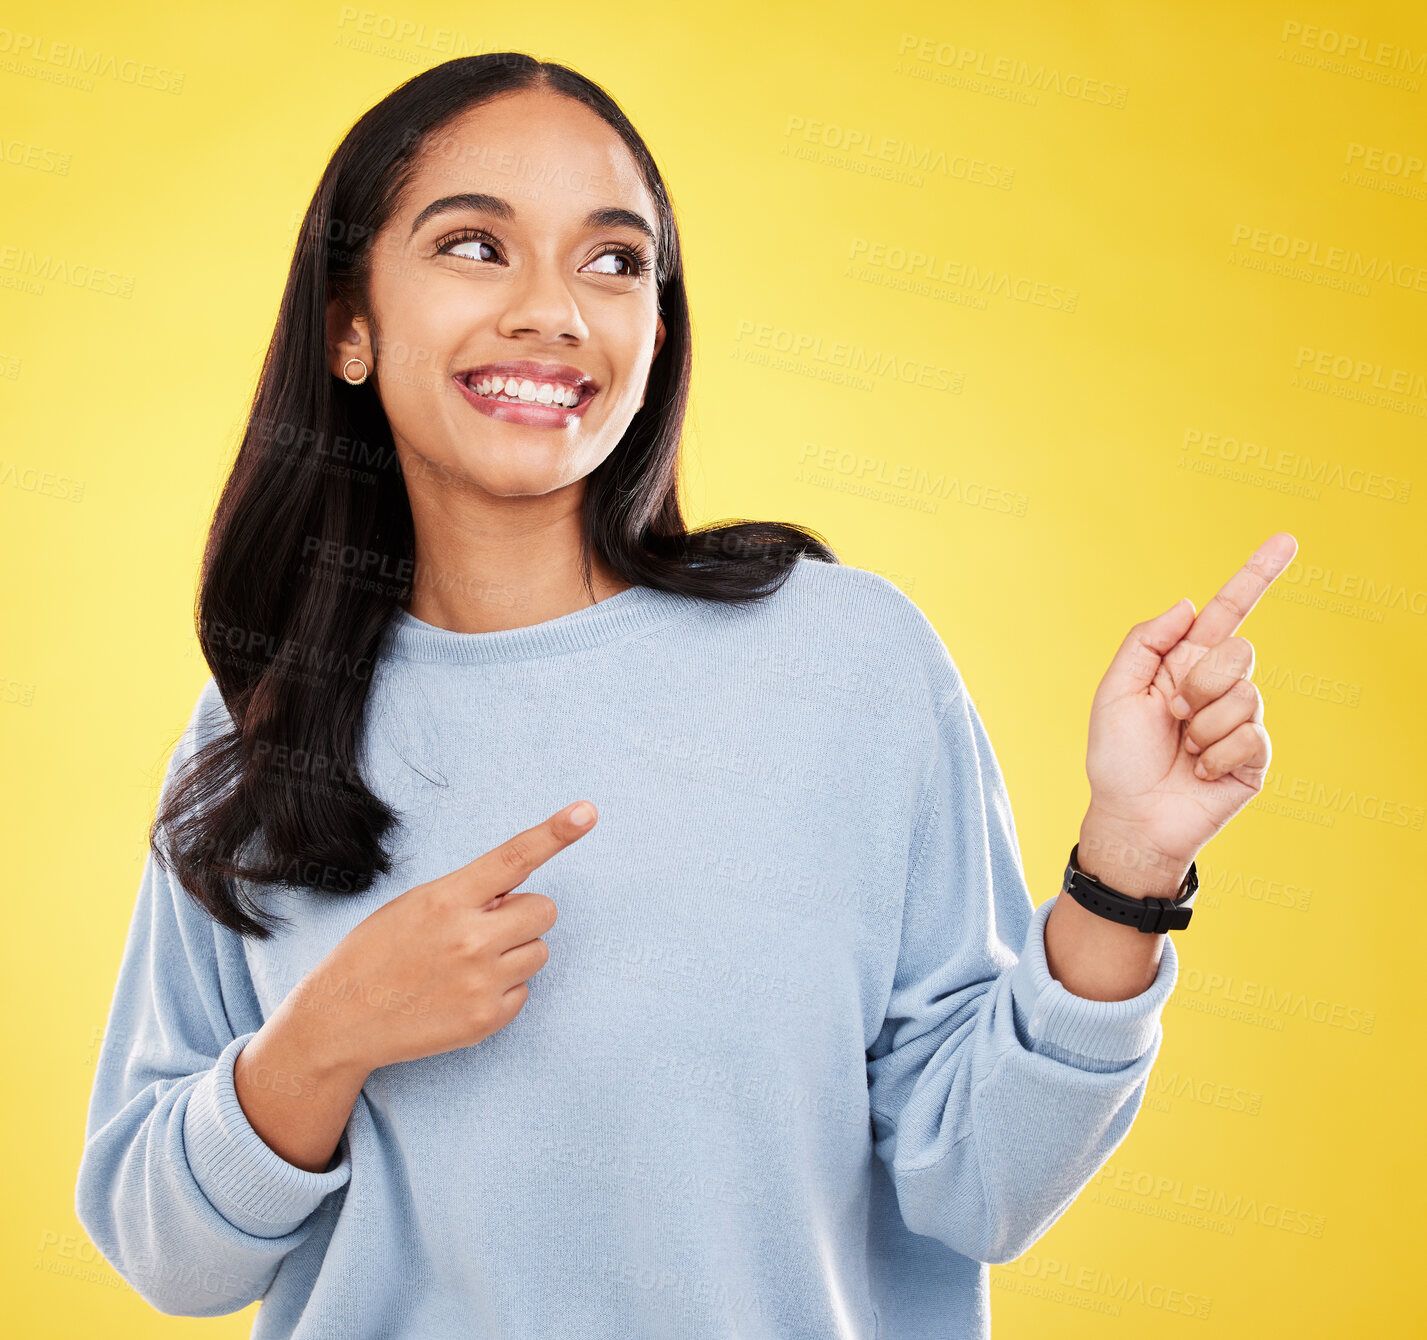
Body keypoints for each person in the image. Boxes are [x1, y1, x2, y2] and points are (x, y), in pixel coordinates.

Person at [75, 51, 1297, 1339]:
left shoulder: (845, 662)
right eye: (475, 246)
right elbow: (175, 1260)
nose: (555, 311)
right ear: (349, 325)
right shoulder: (269, 721)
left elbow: (979, 1183)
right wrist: (326, 1037)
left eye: (612, 263)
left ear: (656, 330)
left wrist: (1128, 867)